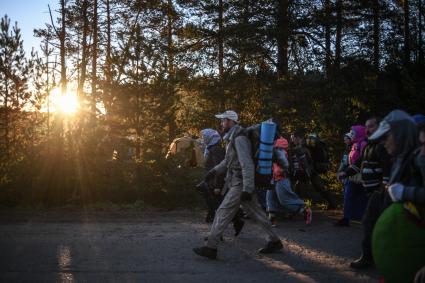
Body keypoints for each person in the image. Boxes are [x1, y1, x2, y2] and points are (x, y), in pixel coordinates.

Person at [193, 110, 282, 260]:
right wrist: (213, 172)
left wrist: (247, 188)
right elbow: (228, 162)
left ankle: (211, 247)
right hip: (238, 181)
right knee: (257, 213)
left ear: (230, 121)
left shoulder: (239, 138)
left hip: (240, 183)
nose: (221, 124)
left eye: (223, 121)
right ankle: (275, 241)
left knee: (222, 211)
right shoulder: (232, 138)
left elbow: (246, 164)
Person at [365, 110, 425, 282]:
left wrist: (406, 193)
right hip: (401, 243)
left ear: (399, 134)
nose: (383, 143)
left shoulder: (419, 158)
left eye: (386, 137)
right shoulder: (400, 157)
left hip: (414, 244)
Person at [349, 118, 392, 268]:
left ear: (379, 128)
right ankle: (378, 255)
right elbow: (358, 163)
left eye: (372, 126)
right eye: (366, 127)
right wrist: (344, 172)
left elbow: (387, 169)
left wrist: (384, 189)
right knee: (373, 223)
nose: (368, 130)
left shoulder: (381, 147)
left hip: (378, 192)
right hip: (370, 192)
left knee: (369, 221)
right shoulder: (368, 146)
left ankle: (369, 257)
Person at [267, 136, 311, 226]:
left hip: (281, 178)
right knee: (270, 198)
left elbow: (282, 164)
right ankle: (272, 217)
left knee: (285, 200)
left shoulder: (280, 148)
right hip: (273, 178)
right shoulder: (275, 144)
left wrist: (278, 171)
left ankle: (304, 210)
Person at [290, 129, 337, 209]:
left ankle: (295, 208)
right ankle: (332, 203)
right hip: (313, 169)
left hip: (308, 170)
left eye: (293, 138)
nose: (292, 140)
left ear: (297, 137)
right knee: (318, 187)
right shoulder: (306, 144)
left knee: (299, 188)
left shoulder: (304, 145)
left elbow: (307, 159)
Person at [335, 126, 369, 226]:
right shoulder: (354, 144)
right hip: (352, 173)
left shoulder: (363, 144)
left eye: (353, 133)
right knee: (349, 195)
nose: (351, 135)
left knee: (359, 196)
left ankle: (360, 217)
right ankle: (347, 218)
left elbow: (362, 160)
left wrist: (346, 172)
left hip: (359, 173)